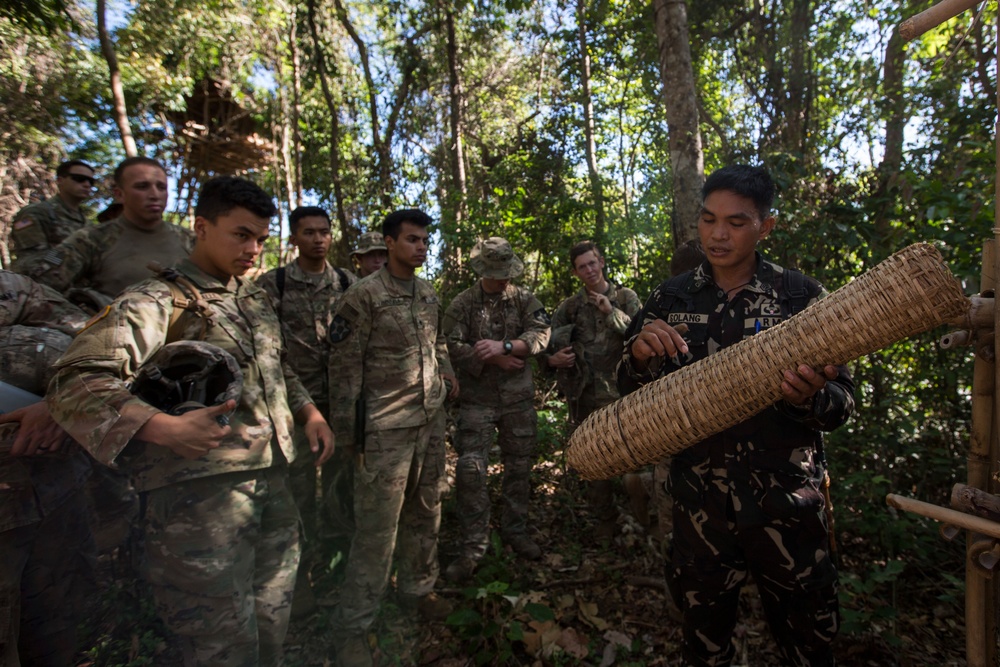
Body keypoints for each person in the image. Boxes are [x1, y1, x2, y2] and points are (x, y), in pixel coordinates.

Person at [46, 176, 334, 666]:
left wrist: (309, 412)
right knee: (218, 641)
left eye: (262, 239)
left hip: (273, 481)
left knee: (271, 620)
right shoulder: (157, 300)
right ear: (201, 227)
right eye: (241, 235)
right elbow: (74, 380)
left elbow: (275, 366)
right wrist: (160, 426)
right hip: (197, 502)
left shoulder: (252, 298)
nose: (253, 249)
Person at [617, 165, 854, 666]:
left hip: (785, 507)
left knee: (809, 646)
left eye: (736, 222)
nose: (718, 234)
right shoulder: (669, 298)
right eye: (707, 220)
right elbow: (629, 394)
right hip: (700, 509)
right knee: (704, 645)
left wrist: (810, 397)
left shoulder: (801, 299)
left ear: (766, 226)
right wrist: (638, 358)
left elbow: (842, 405)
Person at [328, 208, 458, 667]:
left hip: (429, 422)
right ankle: (353, 627)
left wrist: (445, 372)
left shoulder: (427, 292)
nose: (421, 247)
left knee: (427, 510)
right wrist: (348, 438)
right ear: (388, 243)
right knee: (376, 531)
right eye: (412, 240)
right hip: (384, 431)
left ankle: (417, 591)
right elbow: (343, 372)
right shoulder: (362, 297)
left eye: (425, 240)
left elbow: (436, 341)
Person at [257, 206, 355, 615]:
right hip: (293, 410)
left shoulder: (349, 283)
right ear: (294, 238)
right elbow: (267, 351)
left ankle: (337, 566)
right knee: (296, 498)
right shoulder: (272, 284)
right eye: (309, 233)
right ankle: (298, 582)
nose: (318, 239)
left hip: (342, 405)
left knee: (341, 491)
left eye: (324, 232)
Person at [442, 237, 551, 583]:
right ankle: (474, 544)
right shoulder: (463, 303)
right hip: (477, 400)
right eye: (497, 274)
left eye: (507, 273)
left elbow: (542, 334)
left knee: (519, 467)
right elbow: (449, 343)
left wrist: (508, 348)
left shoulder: (523, 299)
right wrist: (485, 357)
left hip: (517, 399)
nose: (503, 279)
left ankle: (515, 531)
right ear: (483, 272)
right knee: (470, 470)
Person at [0, 271, 95, 666]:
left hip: (54, 497)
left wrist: (57, 404)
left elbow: (96, 347)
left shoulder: (13, 289)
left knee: (58, 628)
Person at [543, 240, 641, 540]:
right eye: (582, 266)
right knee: (594, 464)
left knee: (635, 464)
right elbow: (546, 347)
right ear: (575, 272)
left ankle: (644, 523)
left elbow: (641, 333)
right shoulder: (569, 308)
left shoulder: (625, 298)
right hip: (585, 399)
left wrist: (611, 311)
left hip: (626, 397)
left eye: (593, 262)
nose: (589, 269)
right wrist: (553, 359)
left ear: (602, 262)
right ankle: (606, 522)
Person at [36, 156, 193, 301]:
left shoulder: (189, 240)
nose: (154, 194)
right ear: (119, 194)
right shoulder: (90, 239)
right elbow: (41, 290)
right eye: (142, 186)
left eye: (161, 187)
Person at [9, 160, 95, 275]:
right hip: (41, 286)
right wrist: (66, 253)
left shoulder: (88, 224)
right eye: (79, 178)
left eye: (91, 181)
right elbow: (34, 259)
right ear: (60, 180)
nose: (87, 184)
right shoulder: (37, 212)